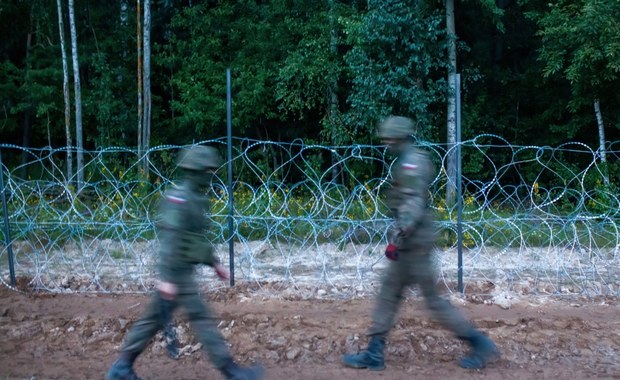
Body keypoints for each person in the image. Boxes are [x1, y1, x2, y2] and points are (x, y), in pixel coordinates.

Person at [342, 116, 500, 371]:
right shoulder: (409, 159)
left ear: (399, 138)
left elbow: (412, 205)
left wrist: (396, 239)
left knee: (430, 301)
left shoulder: (410, 164)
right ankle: (374, 352)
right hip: (414, 241)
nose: (386, 144)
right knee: (390, 292)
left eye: (389, 139)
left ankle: (479, 343)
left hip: (413, 243)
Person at [105, 145, 264, 380]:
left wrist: (215, 264)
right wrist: (167, 278)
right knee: (200, 320)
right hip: (176, 273)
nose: (211, 175)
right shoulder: (179, 197)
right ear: (196, 171)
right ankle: (231, 372)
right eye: (208, 171)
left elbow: (194, 239)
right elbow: (171, 237)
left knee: (152, 320)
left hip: (182, 271)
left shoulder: (195, 198)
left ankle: (121, 367)